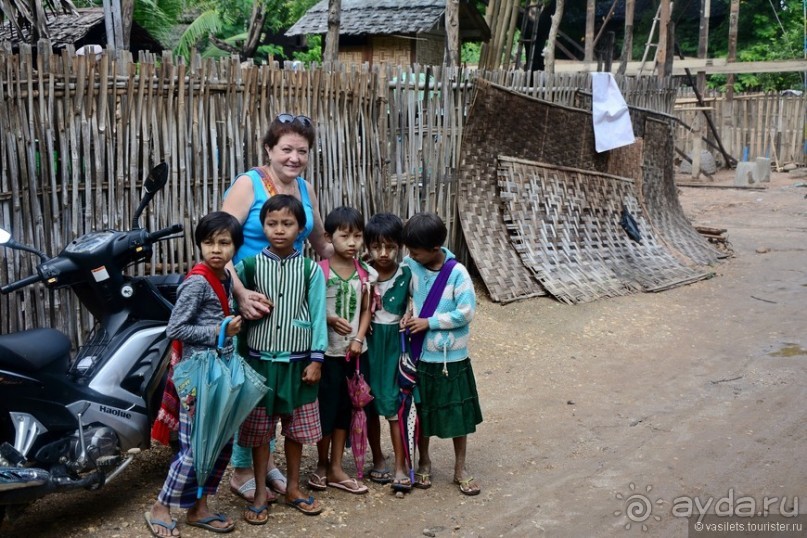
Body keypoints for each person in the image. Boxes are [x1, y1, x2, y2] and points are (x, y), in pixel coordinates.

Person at [221, 113, 333, 502]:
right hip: (248, 299)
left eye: (302, 151)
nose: (294, 157)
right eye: (286, 149)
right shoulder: (247, 185)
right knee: (249, 388)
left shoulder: (304, 188)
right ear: (269, 149)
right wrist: (239, 292)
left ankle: (265, 466)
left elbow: (321, 244)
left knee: (275, 388)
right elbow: (221, 242)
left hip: (288, 306)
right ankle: (240, 470)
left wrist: (364, 271)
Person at [145, 212, 244, 537]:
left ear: (235, 247)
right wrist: (220, 329)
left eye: (224, 243)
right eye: (208, 242)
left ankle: (198, 507)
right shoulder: (198, 281)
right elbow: (175, 328)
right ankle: (161, 506)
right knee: (195, 449)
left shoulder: (225, 278)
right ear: (200, 245)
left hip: (218, 374)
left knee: (219, 445)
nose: (216, 249)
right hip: (197, 379)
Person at [235, 195, 327, 522]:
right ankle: (260, 489)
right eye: (272, 223)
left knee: (296, 430)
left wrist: (317, 360)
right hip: (258, 364)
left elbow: (318, 316)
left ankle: (292, 486)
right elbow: (236, 304)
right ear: (262, 227)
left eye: (287, 224)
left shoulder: (310, 270)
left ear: (300, 229)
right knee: (260, 432)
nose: (279, 230)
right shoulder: (249, 266)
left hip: (299, 363)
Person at [400, 212, 483, 496]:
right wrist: (406, 314)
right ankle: (424, 460)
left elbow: (466, 312)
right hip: (421, 358)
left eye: (415, 251)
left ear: (435, 248)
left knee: (458, 413)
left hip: (452, 360)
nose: (410, 255)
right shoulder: (411, 266)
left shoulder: (457, 273)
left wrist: (429, 322)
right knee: (423, 413)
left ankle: (460, 467)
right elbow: (402, 296)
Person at [307, 206, 375, 494]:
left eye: (357, 236)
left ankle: (336, 466)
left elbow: (366, 310)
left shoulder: (366, 274)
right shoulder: (318, 272)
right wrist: (328, 318)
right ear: (328, 237)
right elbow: (309, 309)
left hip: (355, 355)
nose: (352, 243)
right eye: (345, 236)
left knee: (346, 410)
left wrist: (359, 338)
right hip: (326, 354)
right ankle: (321, 464)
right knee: (325, 408)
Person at [364, 212, 413, 492]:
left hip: (393, 346)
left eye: (390, 246)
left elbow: (416, 302)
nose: (383, 253)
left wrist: (410, 312)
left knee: (394, 406)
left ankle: (400, 465)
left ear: (400, 247)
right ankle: (378, 458)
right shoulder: (362, 272)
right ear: (367, 246)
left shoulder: (406, 274)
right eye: (377, 246)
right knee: (368, 404)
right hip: (368, 347)